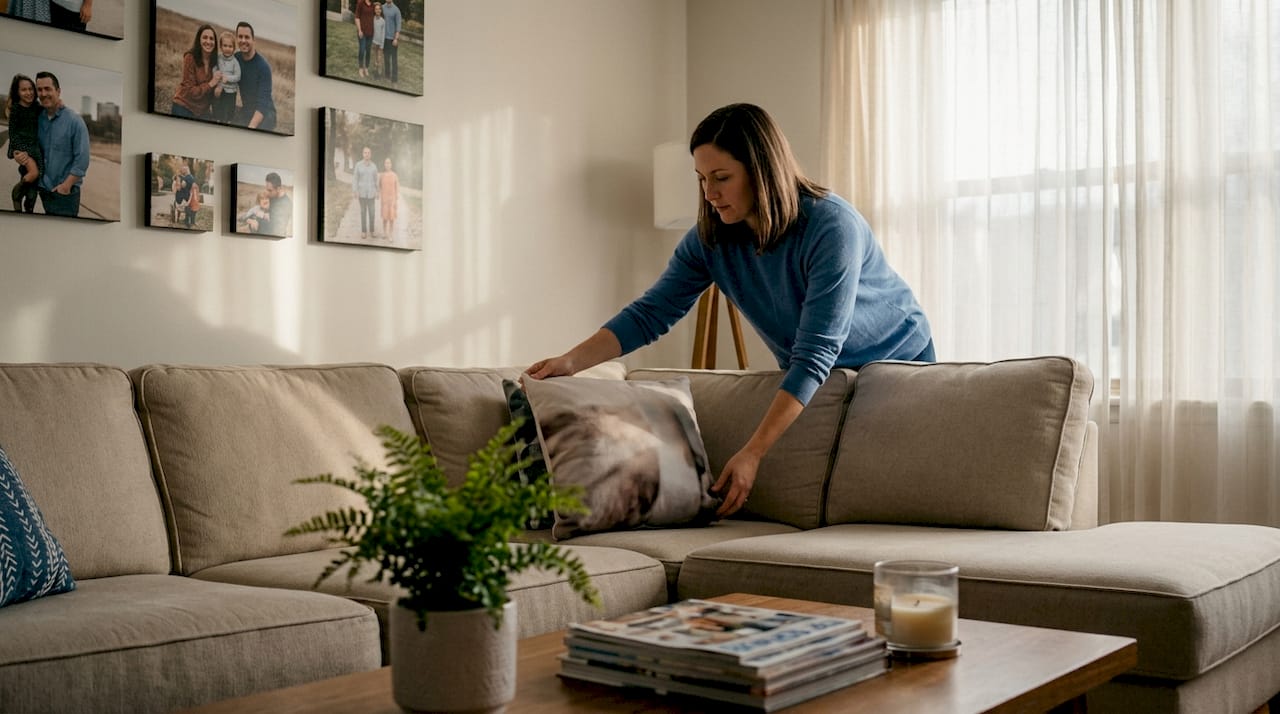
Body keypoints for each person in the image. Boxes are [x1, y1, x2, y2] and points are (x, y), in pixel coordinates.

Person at [527, 103, 934, 518]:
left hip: (897, 361)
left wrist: (753, 452)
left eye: (721, 178)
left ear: (762, 171)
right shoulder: (710, 241)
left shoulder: (831, 226)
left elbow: (815, 352)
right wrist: (571, 361)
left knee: (889, 495)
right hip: (821, 376)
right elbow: (651, 313)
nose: (709, 193)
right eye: (702, 179)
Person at [29, 71, 89, 218]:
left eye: (48, 89)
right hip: (44, 190)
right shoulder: (38, 119)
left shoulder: (75, 121)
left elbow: (82, 160)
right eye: (40, 89)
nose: (43, 93)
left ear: (58, 91)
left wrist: (65, 186)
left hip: (65, 194)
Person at [6, 74, 42, 213]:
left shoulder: (37, 108)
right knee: (33, 173)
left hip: (35, 148)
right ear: (17, 93)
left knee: (33, 190)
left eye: (31, 89)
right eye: (24, 90)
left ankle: (27, 210)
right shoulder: (16, 109)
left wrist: (60, 103)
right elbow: (13, 133)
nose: (29, 93)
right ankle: (16, 193)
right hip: (23, 147)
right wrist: (17, 150)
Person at [170, 24, 222, 120]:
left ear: (215, 42)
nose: (208, 41)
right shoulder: (190, 58)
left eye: (211, 39)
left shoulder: (216, 62)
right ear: (199, 40)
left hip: (202, 111)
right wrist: (210, 84)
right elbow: (191, 91)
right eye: (205, 38)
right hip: (184, 106)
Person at [234, 22, 276, 131]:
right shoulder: (236, 59)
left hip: (265, 114)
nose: (243, 40)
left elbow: (262, 106)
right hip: (247, 110)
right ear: (236, 38)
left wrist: (251, 127)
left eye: (247, 37)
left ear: (253, 40)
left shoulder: (263, 67)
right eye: (240, 37)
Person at [212, 30, 241, 125]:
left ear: (234, 48)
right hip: (219, 88)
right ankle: (217, 119)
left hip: (231, 91)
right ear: (221, 47)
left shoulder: (235, 62)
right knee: (218, 104)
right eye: (225, 46)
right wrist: (216, 75)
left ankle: (228, 120)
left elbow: (238, 76)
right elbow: (214, 68)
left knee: (229, 107)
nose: (227, 49)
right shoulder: (218, 58)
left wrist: (227, 78)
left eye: (230, 46)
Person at [352, 146, 378, 240]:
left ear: (370, 155)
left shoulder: (374, 166)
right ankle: (363, 231)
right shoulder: (358, 165)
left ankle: (372, 230)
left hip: (371, 194)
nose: (367, 154)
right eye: (365, 153)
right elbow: (355, 178)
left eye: (368, 153)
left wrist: (377, 191)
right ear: (363, 154)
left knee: (372, 213)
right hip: (362, 194)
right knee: (363, 212)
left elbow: (376, 180)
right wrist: (355, 191)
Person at [260, 171, 292, 236]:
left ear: (278, 189)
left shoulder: (285, 205)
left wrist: (257, 223)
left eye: (270, 190)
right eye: (266, 189)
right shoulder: (272, 197)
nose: (267, 192)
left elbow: (277, 231)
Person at [353, 0, 375, 79]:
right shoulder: (360, 3)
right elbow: (357, 17)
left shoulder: (373, 4)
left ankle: (366, 68)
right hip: (362, 32)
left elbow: (377, 15)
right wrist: (359, 30)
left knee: (368, 51)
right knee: (362, 50)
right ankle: (360, 68)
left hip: (371, 33)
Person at [381, 0, 401, 83]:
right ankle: (387, 76)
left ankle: (394, 79)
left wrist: (396, 38)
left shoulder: (396, 10)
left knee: (394, 59)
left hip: (392, 39)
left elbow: (398, 26)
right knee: (386, 59)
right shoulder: (382, 7)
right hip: (384, 38)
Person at [379, 156, 398, 239]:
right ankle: (384, 233)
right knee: (384, 217)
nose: (387, 164)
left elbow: (397, 188)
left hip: (392, 200)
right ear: (384, 165)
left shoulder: (395, 175)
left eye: (389, 163)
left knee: (392, 217)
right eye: (386, 163)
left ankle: (391, 234)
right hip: (385, 199)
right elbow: (380, 186)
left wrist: (396, 199)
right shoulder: (382, 175)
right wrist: (381, 196)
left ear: (391, 165)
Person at [371, 3, 386, 81]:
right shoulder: (372, 19)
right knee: (374, 58)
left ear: (381, 10)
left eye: (379, 9)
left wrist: (382, 45)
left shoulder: (383, 21)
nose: (378, 10)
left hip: (380, 43)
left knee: (379, 59)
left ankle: (379, 74)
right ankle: (375, 72)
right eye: (376, 9)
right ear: (374, 10)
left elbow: (383, 34)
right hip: (373, 42)